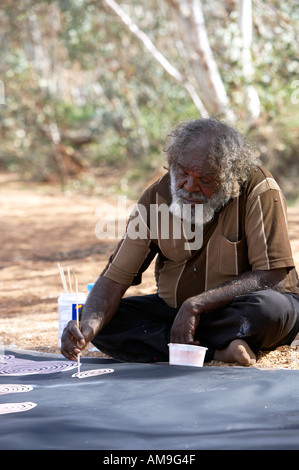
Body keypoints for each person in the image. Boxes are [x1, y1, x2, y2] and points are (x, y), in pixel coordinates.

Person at [61, 117, 299, 366]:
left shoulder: (258, 188)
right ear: (172, 164)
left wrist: (197, 304)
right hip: (176, 314)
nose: (189, 186)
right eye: (182, 173)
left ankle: (189, 345)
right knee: (104, 322)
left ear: (229, 177)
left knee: (271, 309)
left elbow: (272, 277)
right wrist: (86, 328)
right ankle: (217, 351)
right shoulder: (155, 197)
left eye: (205, 180)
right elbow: (113, 279)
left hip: (238, 311)